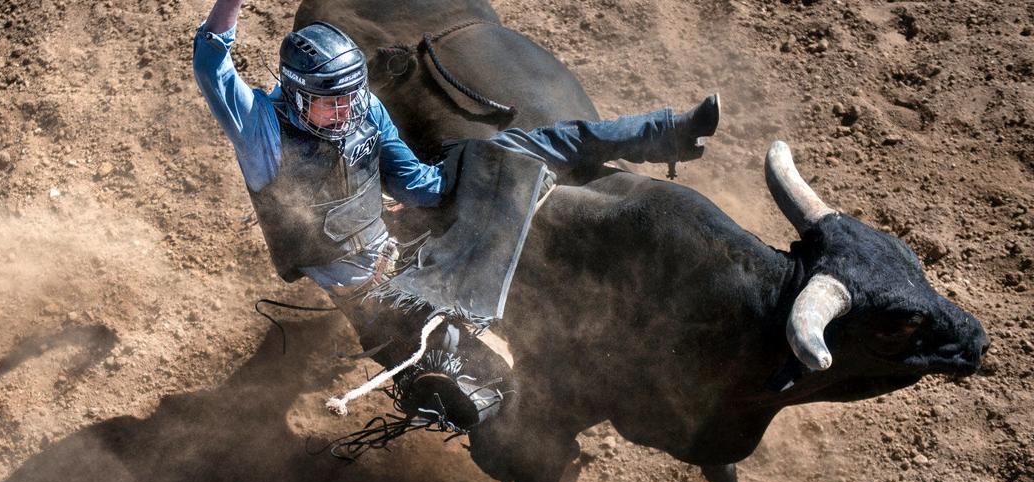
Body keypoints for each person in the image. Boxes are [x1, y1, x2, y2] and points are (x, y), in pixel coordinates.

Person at [192, 0, 720, 430]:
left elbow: (418, 186)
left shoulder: (364, 111)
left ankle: (661, 130)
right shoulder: (259, 129)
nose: (349, 111)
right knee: (472, 386)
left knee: (509, 149)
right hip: (372, 296)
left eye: (355, 97)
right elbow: (211, 58)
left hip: (403, 244)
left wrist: (480, 167)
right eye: (334, 103)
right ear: (294, 93)